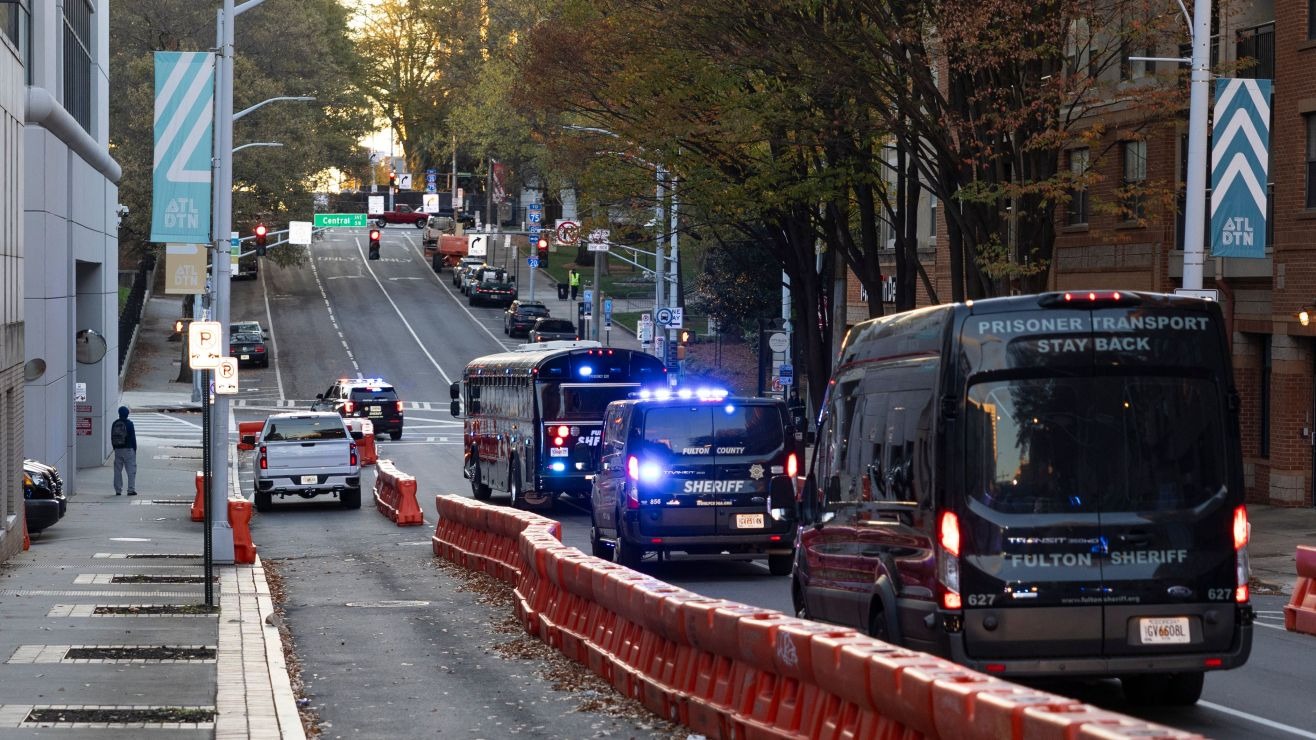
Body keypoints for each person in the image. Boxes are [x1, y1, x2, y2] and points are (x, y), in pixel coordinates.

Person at [110, 406, 138, 496]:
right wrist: (134, 449)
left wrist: (115, 448)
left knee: (117, 471)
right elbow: (133, 438)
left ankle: (118, 490)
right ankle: (130, 490)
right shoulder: (129, 424)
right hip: (128, 449)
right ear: (127, 414)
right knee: (131, 470)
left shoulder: (115, 423)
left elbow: (112, 437)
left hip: (118, 449)